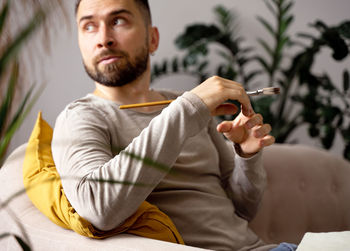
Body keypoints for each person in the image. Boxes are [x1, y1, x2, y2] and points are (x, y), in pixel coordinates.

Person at [52, 0, 296, 250]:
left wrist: (246, 155)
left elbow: (242, 209)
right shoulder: (81, 118)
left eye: (118, 21)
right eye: (89, 26)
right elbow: (98, 210)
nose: (103, 38)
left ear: (152, 39)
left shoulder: (189, 106)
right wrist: (188, 108)